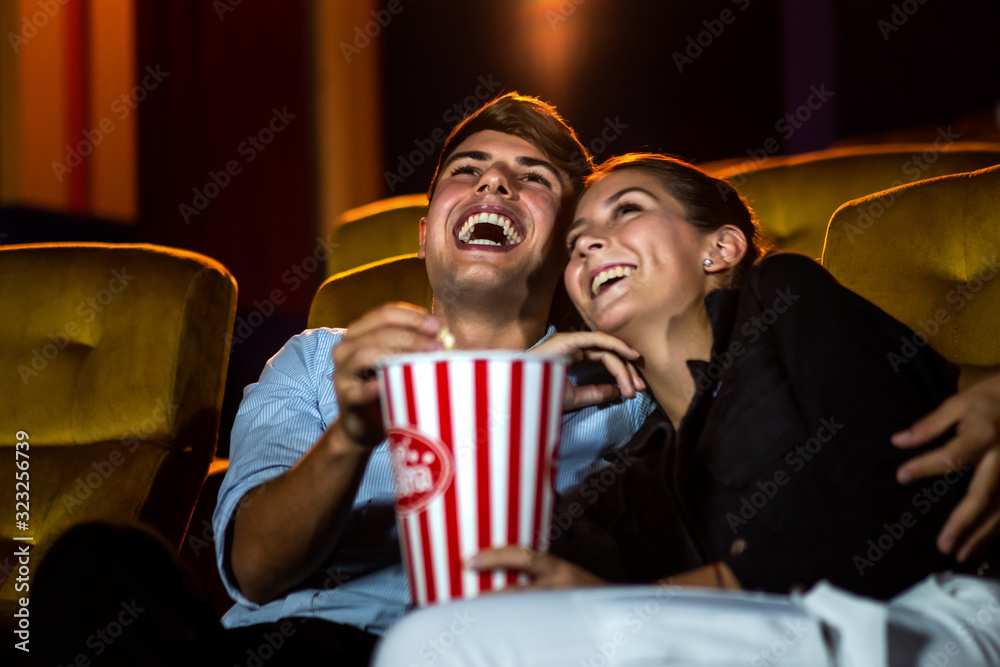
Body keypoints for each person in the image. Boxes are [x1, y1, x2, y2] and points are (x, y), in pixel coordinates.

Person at [371, 154, 1000, 666]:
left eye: (627, 211)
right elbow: (503, 572)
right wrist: (520, 395)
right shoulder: (645, 460)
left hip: (926, 611)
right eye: (576, 240)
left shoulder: (787, 296)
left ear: (720, 249)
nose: (589, 242)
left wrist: (638, 602)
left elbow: (887, 515)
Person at [209, 93, 655, 665]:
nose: (493, 183)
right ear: (424, 237)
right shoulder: (317, 361)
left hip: (461, 652)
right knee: (102, 561)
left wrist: (517, 398)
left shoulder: (618, 391)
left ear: (572, 248)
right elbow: (254, 571)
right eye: (467, 170)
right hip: (262, 644)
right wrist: (350, 435)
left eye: (533, 177)